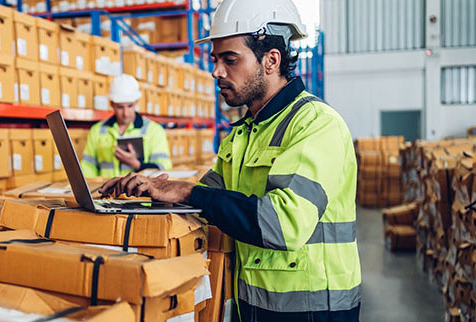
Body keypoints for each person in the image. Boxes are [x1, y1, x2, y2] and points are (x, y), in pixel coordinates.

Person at [98, 0, 362, 321]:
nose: (216, 71)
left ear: (271, 60)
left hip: (312, 310)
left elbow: (282, 225)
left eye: (230, 59)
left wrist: (187, 192)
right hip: (251, 305)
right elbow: (208, 204)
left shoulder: (316, 125)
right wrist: (141, 197)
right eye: (216, 59)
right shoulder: (243, 135)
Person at [80, 74, 172, 178]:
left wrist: (136, 164)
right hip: (106, 192)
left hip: (141, 193)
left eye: (130, 106)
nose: (126, 113)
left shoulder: (154, 130)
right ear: (112, 104)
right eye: (120, 107)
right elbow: (88, 168)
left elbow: (164, 169)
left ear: (136, 102)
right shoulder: (97, 130)